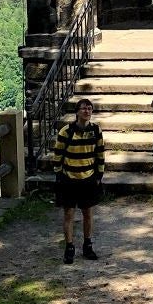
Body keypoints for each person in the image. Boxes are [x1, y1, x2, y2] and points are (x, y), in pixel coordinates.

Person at [53, 97, 104, 263]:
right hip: (69, 178)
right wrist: (59, 175)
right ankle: (69, 247)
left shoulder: (96, 131)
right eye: (83, 108)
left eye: (89, 109)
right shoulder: (66, 132)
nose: (87, 111)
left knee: (88, 213)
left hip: (88, 178)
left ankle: (87, 246)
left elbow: (100, 154)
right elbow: (58, 156)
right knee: (69, 214)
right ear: (77, 112)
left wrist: (99, 175)